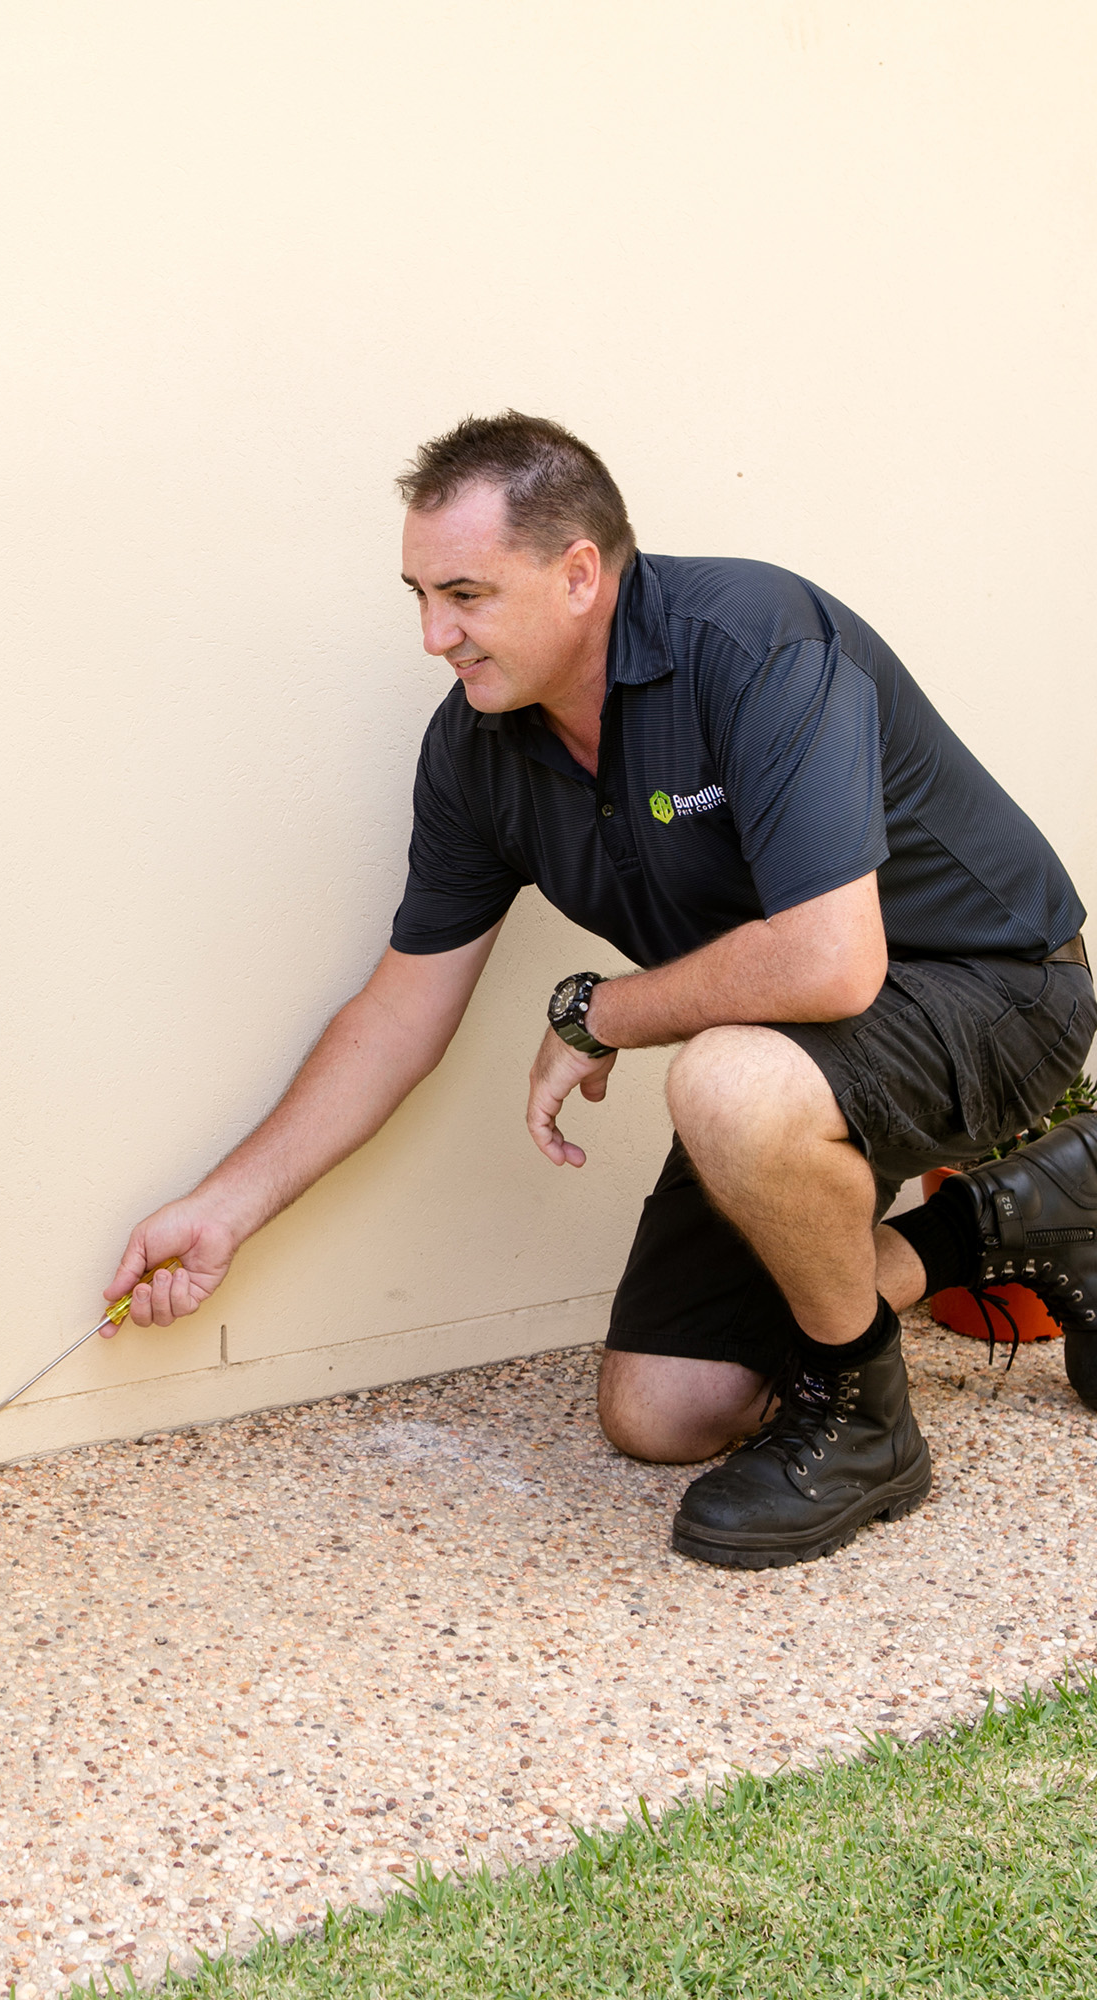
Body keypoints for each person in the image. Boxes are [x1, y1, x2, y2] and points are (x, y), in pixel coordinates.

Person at [107, 410, 1097, 1576]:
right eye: (418, 594)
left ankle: (864, 1423)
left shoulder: (750, 640)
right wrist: (221, 1209)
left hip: (992, 988)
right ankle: (1021, 1212)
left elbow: (831, 960)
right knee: (658, 1412)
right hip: (795, 1052)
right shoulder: (476, 749)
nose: (434, 634)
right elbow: (395, 1014)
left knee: (718, 1080)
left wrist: (596, 1011)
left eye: (465, 594)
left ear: (578, 573)